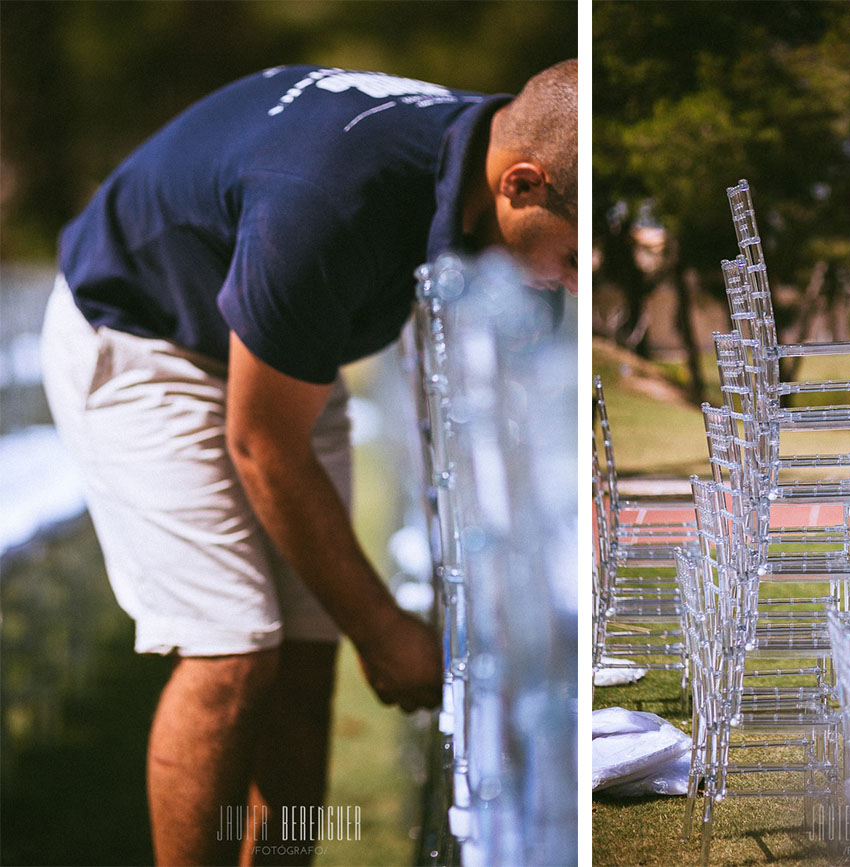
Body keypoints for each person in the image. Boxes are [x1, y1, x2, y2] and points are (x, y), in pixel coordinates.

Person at [40, 59, 577, 866]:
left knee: (303, 660)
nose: (571, 281)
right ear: (524, 185)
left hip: (290, 358)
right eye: (574, 258)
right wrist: (385, 628)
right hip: (146, 337)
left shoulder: (490, 145)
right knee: (232, 651)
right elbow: (261, 444)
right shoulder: (332, 197)